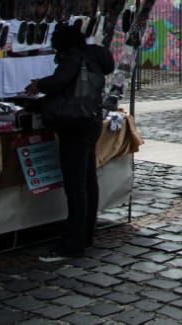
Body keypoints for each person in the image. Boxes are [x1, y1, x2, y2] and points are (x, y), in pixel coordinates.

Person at [29, 23, 115, 261]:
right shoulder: (93, 56)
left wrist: (39, 84)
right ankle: (86, 233)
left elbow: (60, 81)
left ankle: (74, 242)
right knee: (87, 181)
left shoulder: (74, 57)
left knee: (76, 186)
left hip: (74, 124)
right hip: (91, 120)